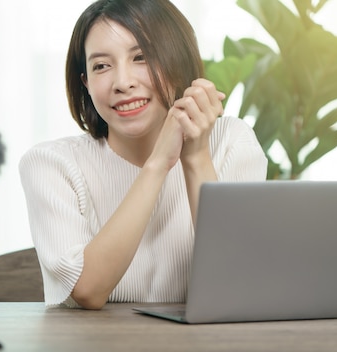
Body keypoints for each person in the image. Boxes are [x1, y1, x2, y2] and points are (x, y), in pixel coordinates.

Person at [19, 0, 267, 310]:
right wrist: (157, 164)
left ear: (176, 62)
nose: (123, 82)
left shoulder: (232, 142)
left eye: (141, 57)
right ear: (86, 83)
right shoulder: (51, 164)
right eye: (101, 66)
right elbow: (87, 290)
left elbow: (239, 283)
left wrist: (196, 157)